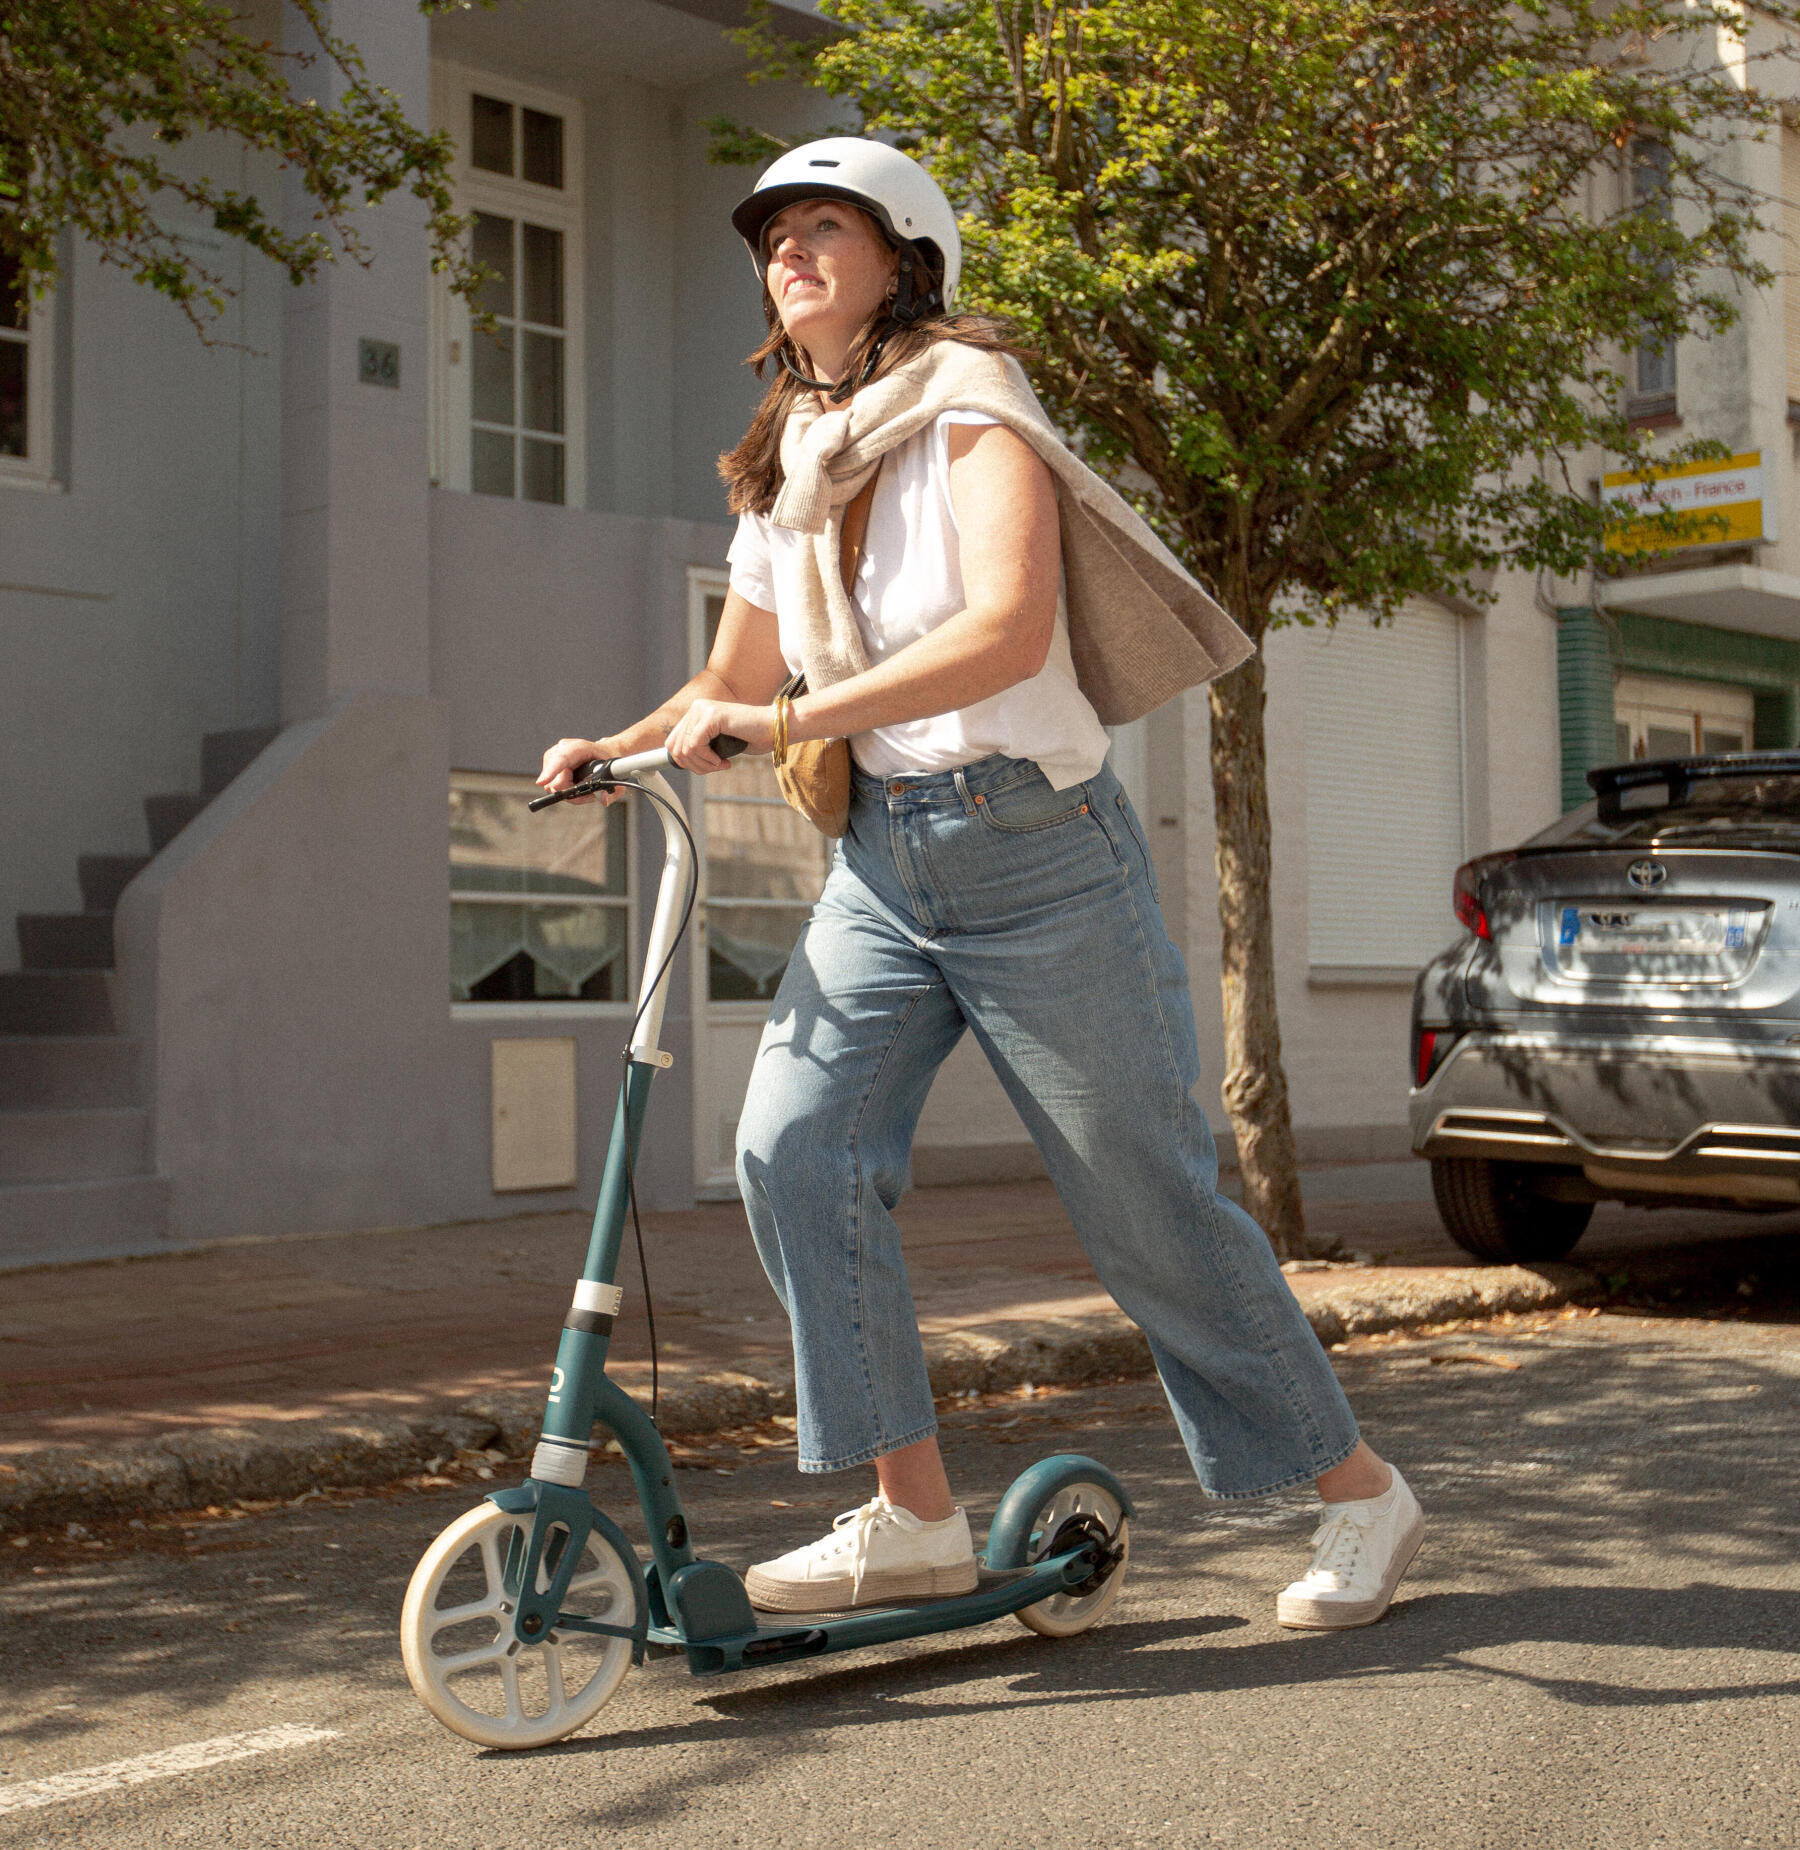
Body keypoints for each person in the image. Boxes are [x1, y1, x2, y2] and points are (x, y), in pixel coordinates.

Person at [539, 138, 1425, 1631]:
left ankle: (1362, 1496)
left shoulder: (971, 407)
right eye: (775, 233)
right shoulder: (783, 459)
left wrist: (790, 721)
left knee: (1148, 1206)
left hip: (1038, 855)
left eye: (828, 226)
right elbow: (735, 677)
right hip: (884, 863)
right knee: (794, 1150)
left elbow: (1010, 634)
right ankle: (912, 1518)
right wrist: (623, 742)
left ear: (903, 259)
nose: (792, 250)